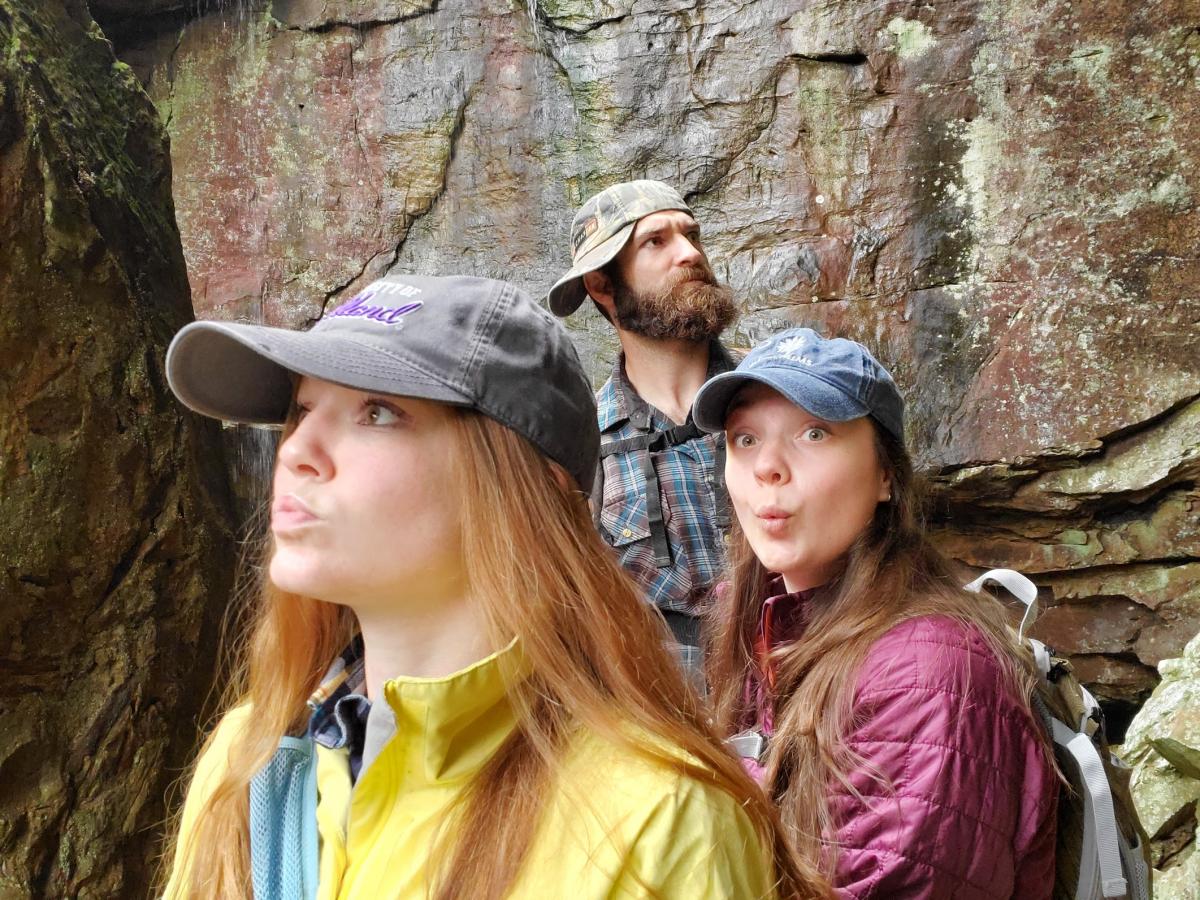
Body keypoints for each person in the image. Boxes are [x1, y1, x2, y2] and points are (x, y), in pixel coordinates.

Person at [158, 275, 830, 900]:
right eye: (302, 408)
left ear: (521, 486)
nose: (298, 448)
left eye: (379, 413)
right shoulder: (250, 759)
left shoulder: (662, 822)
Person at [692, 327, 1059, 898]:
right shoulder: (758, 619)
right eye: (744, 439)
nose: (768, 465)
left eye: (814, 433)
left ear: (886, 475)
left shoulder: (927, 678)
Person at [548, 179, 738, 670]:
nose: (690, 254)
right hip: (671, 715)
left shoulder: (780, 397)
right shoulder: (578, 445)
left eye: (691, 235)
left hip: (814, 690)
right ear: (601, 285)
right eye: (656, 241)